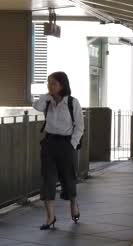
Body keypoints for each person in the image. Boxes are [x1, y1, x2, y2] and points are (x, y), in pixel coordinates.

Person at [33, 72, 84, 230]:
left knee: (69, 179)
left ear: (63, 85)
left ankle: (73, 204)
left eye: (54, 83)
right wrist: (48, 94)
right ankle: (50, 217)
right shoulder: (47, 102)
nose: (50, 86)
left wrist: (72, 144)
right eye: (49, 83)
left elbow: (80, 127)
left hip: (66, 144)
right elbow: (35, 105)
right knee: (47, 180)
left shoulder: (72, 103)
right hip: (49, 143)